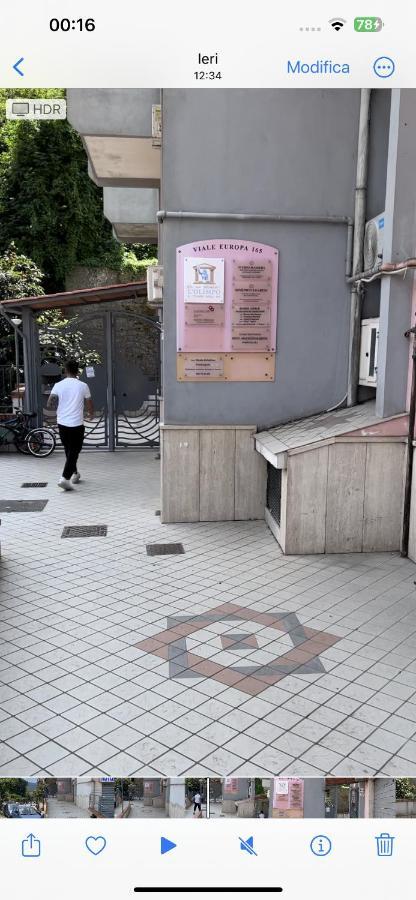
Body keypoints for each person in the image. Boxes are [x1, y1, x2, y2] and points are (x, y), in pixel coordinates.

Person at [47, 358, 94, 491]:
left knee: (69, 450)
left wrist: (58, 404)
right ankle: (64, 478)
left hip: (62, 422)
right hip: (77, 423)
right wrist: (91, 414)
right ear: (77, 370)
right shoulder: (83, 385)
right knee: (74, 450)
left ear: (65, 370)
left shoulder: (58, 385)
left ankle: (75, 474)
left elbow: (49, 402)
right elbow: (89, 402)